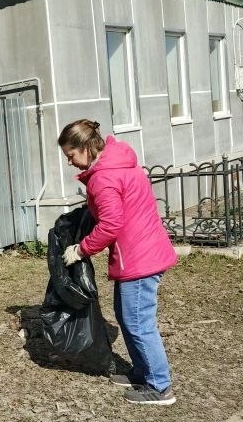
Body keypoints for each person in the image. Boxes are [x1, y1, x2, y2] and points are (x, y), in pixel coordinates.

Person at [58, 119, 178, 405]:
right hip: (143, 252)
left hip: (139, 259)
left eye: (71, 155)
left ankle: (160, 387)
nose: (70, 162)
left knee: (138, 322)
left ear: (86, 147)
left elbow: (111, 224)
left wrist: (82, 249)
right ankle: (142, 372)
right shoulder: (117, 162)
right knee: (127, 316)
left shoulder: (103, 178)